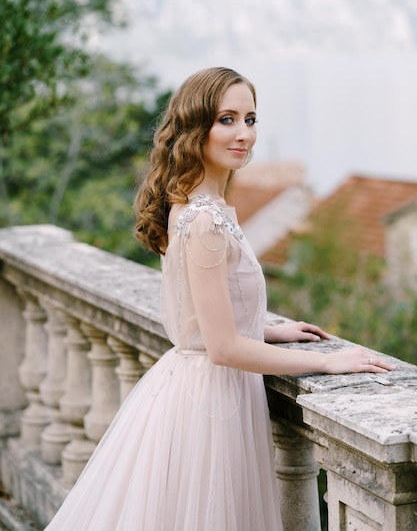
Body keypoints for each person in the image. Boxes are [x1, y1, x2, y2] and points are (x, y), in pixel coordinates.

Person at [45, 67, 395, 531]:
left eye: (250, 119)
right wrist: (330, 363)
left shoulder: (195, 205)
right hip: (211, 400)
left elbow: (204, 315)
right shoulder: (205, 221)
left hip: (199, 384)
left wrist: (267, 330)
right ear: (195, 128)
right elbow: (223, 347)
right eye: (226, 119)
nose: (243, 134)